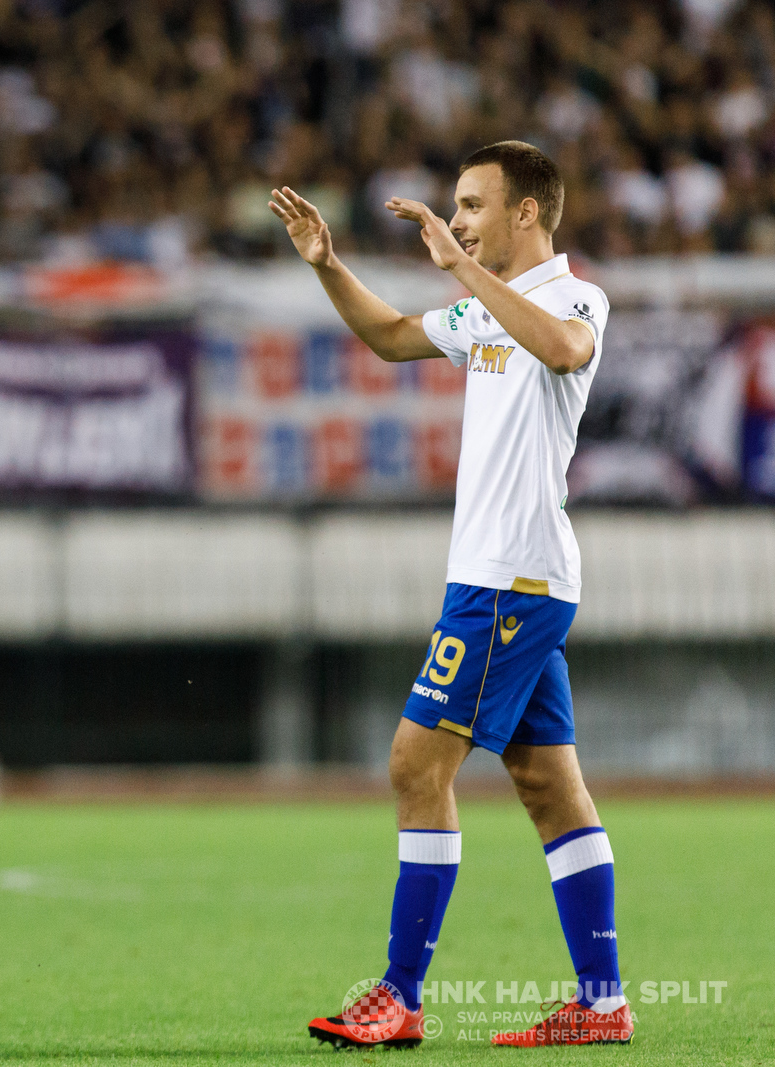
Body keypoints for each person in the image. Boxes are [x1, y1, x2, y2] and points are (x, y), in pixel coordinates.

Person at [271, 141, 632, 1049]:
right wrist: (330, 266)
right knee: (549, 786)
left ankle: (399, 995)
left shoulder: (571, 295)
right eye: (457, 207)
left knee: (413, 763)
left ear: (527, 213)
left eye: (474, 205)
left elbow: (563, 349)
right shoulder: (483, 310)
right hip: (506, 577)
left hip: (509, 581)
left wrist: (461, 265)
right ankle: (602, 1001)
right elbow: (393, 336)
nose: (459, 219)